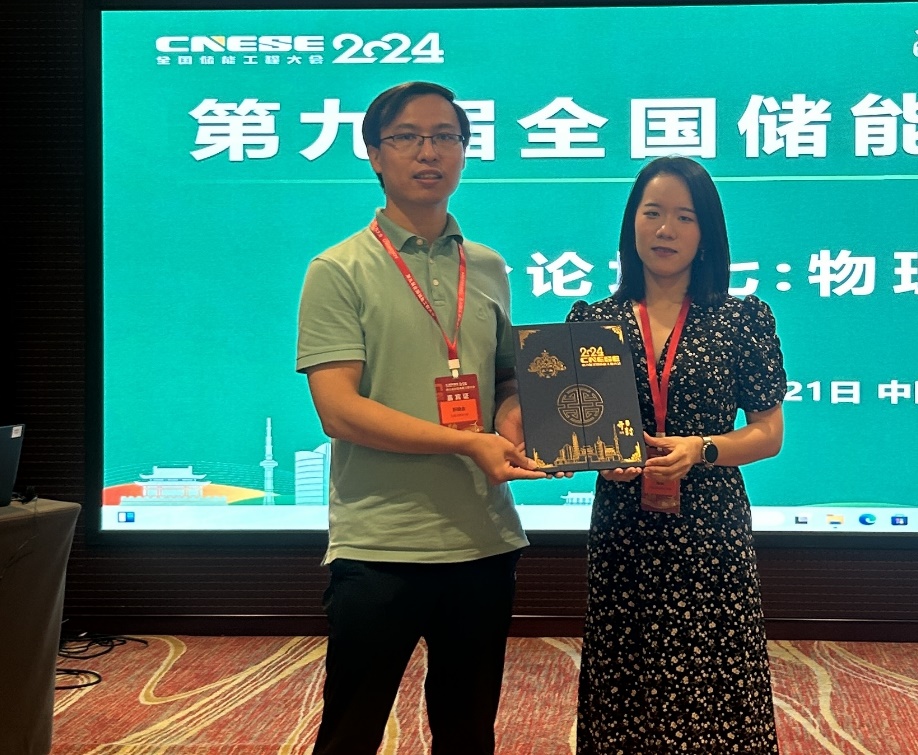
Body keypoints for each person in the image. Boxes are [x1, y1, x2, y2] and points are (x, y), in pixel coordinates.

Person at [296, 81, 546, 755]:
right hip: (381, 544)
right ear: (375, 154)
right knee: (351, 732)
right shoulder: (338, 269)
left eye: (446, 137)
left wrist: (512, 418)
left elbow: (503, 377)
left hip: (482, 538)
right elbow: (339, 410)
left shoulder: (487, 266)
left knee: (468, 732)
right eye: (407, 137)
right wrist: (466, 444)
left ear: (464, 151)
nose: (428, 152)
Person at [569, 156, 786, 753]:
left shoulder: (742, 319)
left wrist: (703, 449)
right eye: (653, 213)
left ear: (706, 232)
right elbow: (578, 428)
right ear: (631, 224)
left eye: (684, 217)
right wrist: (600, 458)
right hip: (624, 530)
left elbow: (768, 434)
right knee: (626, 679)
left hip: (709, 530)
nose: (665, 230)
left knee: (712, 682)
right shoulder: (592, 322)